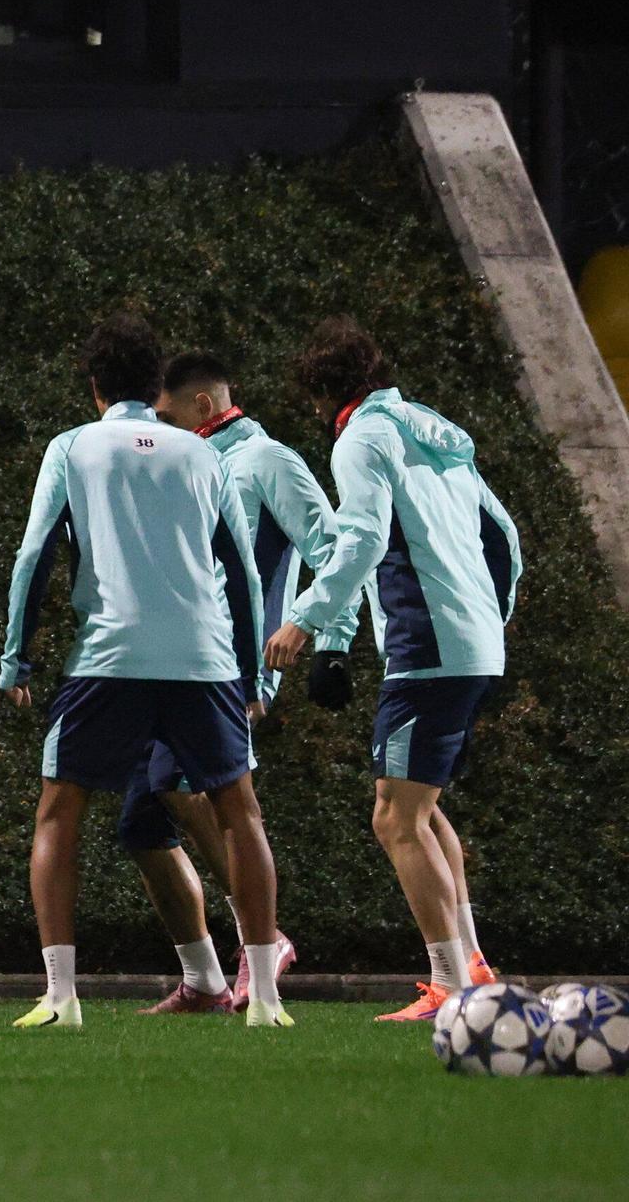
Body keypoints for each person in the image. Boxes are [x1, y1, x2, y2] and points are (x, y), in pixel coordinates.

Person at [0, 313, 292, 1029]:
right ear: (158, 387)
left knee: (60, 814)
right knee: (238, 812)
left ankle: (62, 997)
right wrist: (251, 675)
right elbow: (244, 573)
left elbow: (34, 555)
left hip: (111, 656)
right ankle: (267, 997)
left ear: (95, 387)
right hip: (205, 660)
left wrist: (17, 656)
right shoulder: (202, 454)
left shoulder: (74, 446)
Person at [262, 317, 518, 1022]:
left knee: (394, 818)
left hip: (429, 645)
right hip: (471, 639)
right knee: (422, 813)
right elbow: (501, 530)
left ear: (322, 392)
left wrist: (307, 618)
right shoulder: (433, 426)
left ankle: (453, 990)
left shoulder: (360, 438)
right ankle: (471, 970)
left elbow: (364, 539)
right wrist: (496, 613)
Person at [117, 349, 364, 1012]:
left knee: (184, 789)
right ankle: (203, 980)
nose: (157, 424)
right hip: (167, 665)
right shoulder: (183, 466)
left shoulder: (266, 461)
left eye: (166, 413)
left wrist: (329, 646)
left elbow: (336, 550)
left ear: (201, 405)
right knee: (141, 821)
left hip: (230, 669)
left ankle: (266, 941)